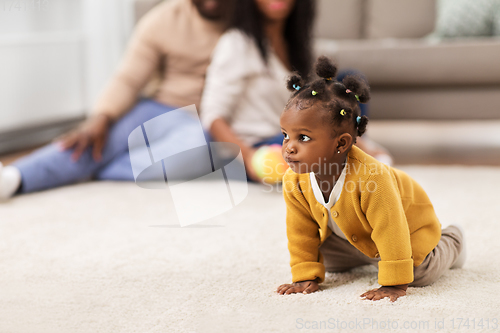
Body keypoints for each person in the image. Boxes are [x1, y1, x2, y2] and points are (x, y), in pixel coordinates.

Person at [276, 56, 466, 302]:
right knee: (320, 258)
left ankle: (452, 239)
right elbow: (300, 231)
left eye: (302, 137)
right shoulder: (294, 181)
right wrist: (304, 275)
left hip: (406, 229)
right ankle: (373, 257)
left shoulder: (372, 178)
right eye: (285, 135)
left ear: (341, 143)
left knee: (418, 273)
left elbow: (391, 229)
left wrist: (394, 283)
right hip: (353, 235)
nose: (288, 148)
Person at [0, 0, 229, 200]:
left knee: (201, 146)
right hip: (158, 107)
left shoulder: (249, 21)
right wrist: (101, 117)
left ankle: (98, 171)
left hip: (205, 121)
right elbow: (128, 79)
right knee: (91, 141)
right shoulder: (162, 20)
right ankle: (14, 178)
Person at [200, 0, 315, 181]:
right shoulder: (236, 43)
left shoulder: (295, 45)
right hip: (262, 148)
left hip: (294, 138)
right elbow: (213, 116)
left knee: (348, 85)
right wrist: (249, 156)